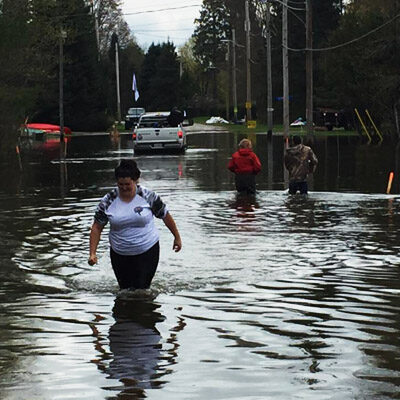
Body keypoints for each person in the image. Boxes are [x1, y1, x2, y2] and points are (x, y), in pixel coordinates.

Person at [88, 159, 182, 290]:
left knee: (142, 289)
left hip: (147, 250)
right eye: (120, 184)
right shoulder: (108, 200)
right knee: (125, 290)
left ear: (136, 180)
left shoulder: (148, 196)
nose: (124, 188)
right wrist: (92, 253)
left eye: (127, 184)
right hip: (119, 253)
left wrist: (176, 237)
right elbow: (97, 227)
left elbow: (165, 215)